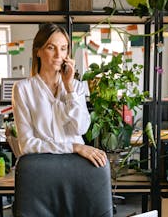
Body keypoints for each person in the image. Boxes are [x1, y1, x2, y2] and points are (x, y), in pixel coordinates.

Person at [12, 23, 107, 167]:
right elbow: (26, 145)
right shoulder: (23, 89)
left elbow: (81, 129)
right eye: (51, 48)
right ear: (38, 51)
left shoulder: (76, 87)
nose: (58, 55)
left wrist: (69, 88)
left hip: (76, 164)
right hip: (44, 167)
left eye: (63, 49)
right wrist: (73, 147)